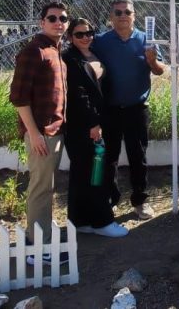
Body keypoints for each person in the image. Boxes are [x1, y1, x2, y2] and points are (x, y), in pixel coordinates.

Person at [92, 0, 165, 220]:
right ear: (111, 17)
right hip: (110, 109)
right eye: (118, 12)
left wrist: (152, 61)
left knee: (138, 155)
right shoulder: (101, 41)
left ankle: (140, 201)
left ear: (134, 15)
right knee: (109, 157)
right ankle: (110, 200)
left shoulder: (146, 39)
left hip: (137, 108)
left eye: (127, 12)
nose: (123, 16)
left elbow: (160, 70)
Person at [9, 2, 69, 265]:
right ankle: (39, 248)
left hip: (55, 130)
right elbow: (19, 97)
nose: (58, 22)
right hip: (42, 134)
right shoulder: (34, 52)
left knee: (46, 186)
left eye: (63, 18)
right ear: (41, 22)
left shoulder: (55, 51)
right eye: (52, 18)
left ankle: (38, 235)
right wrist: (34, 133)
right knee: (41, 188)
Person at [62, 18, 128, 238]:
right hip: (83, 125)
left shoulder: (93, 53)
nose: (85, 37)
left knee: (87, 172)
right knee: (93, 172)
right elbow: (77, 95)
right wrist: (93, 123)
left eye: (89, 33)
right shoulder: (70, 59)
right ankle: (102, 222)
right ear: (70, 37)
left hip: (100, 121)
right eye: (79, 34)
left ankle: (80, 220)